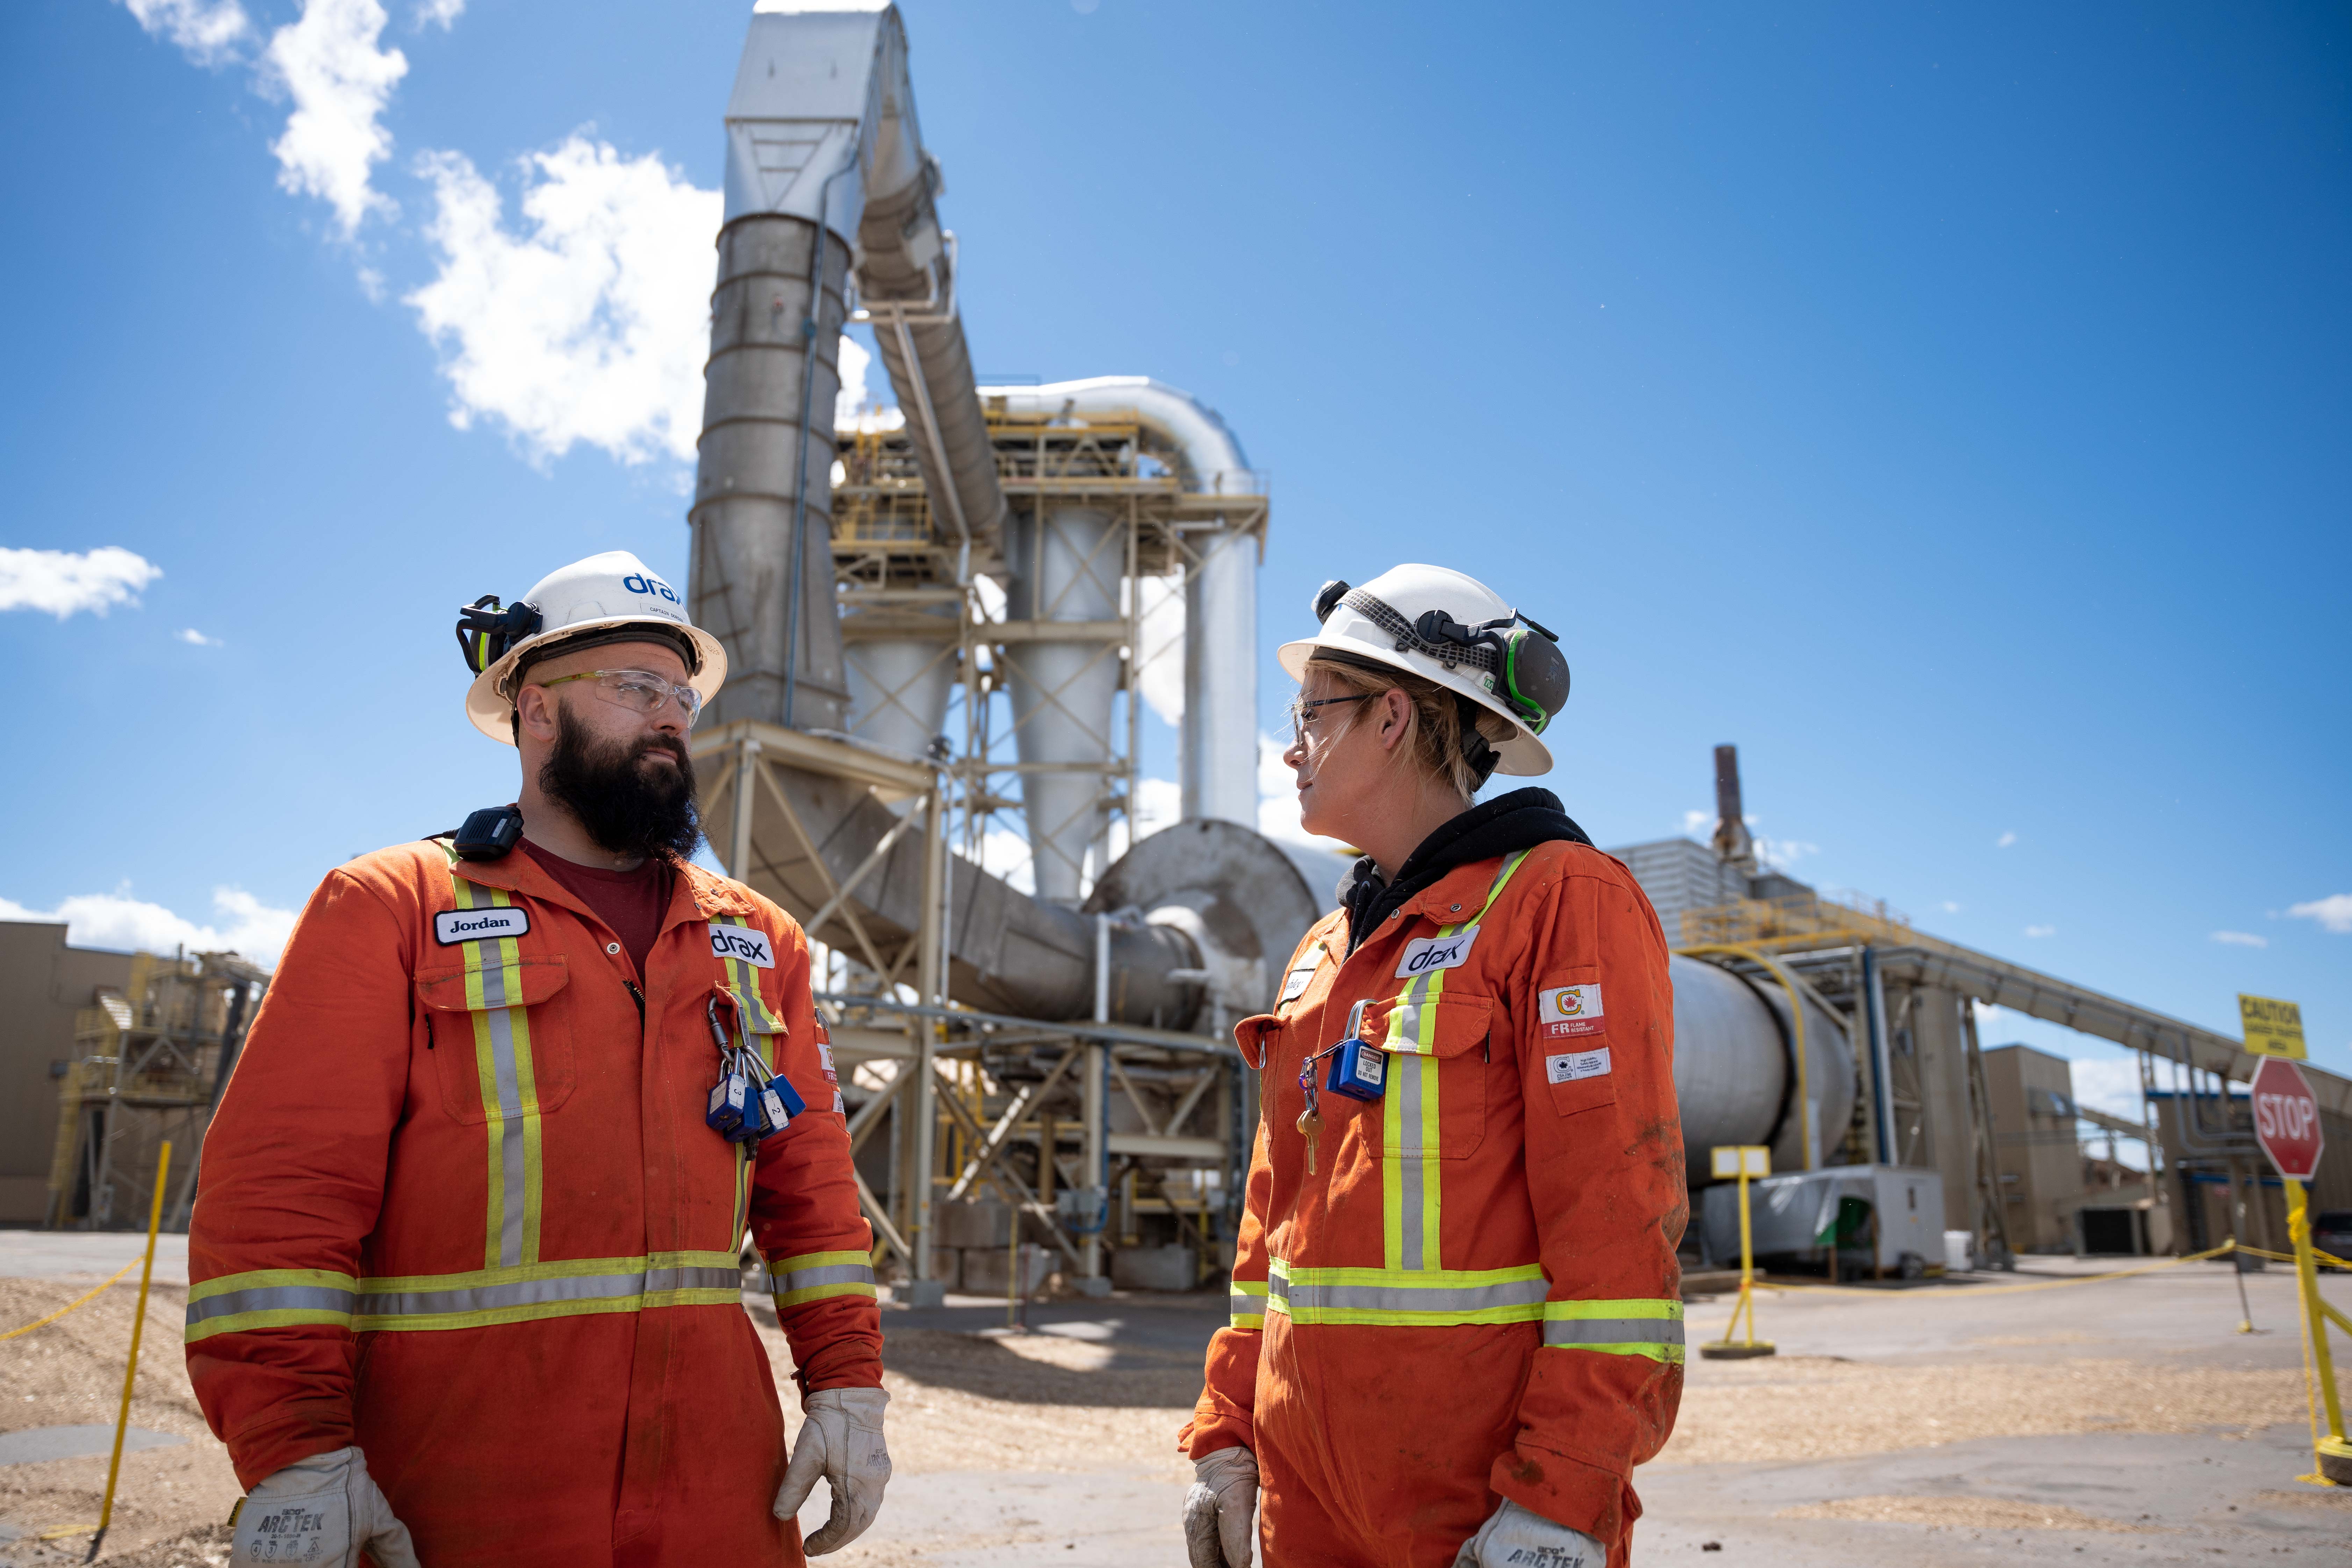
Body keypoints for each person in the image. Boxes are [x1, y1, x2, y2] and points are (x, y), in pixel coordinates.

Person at [185, 551, 891, 1568]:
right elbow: (279, 1205)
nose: (669, 717)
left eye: (681, 695)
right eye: (636, 688)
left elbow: (811, 1194)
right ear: (538, 711)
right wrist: (297, 1452)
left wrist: (847, 1386)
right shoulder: (393, 907)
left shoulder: (756, 936)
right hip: (461, 1493)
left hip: (717, 1491)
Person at [1179, 564, 1685, 1568]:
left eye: (1312, 712)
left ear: (1392, 719)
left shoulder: (1559, 901)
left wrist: (1561, 1494)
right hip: (1305, 1497)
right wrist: (1225, 1436)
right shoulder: (1326, 948)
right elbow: (1266, 1237)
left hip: (1476, 1504)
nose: (1290, 747)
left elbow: (1618, 1230)